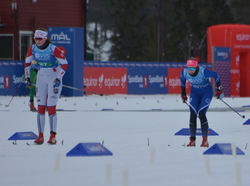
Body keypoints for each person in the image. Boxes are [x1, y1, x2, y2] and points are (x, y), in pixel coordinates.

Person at [24, 28, 68, 144]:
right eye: (36, 39)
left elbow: (64, 64)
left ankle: (52, 136)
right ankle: (40, 136)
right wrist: (27, 77)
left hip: (54, 76)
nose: (37, 41)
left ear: (45, 38)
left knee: (51, 106)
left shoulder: (53, 49)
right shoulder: (32, 48)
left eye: (40, 39)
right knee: (41, 106)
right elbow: (27, 63)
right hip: (41, 75)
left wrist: (59, 78)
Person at [180, 57, 224, 147]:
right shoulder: (184, 72)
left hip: (206, 92)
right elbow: (182, 82)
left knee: (201, 113)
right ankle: (192, 140)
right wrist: (183, 94)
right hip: (195, 93)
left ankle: (205, 141)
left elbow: (216, 75)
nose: (190, 70)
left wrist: (219, 89)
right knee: (193, 113)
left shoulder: (203, 72)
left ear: (196, 67)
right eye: (188, 68)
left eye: (192, 68)